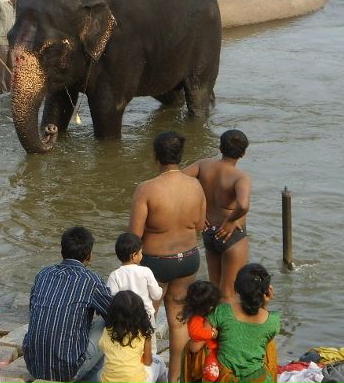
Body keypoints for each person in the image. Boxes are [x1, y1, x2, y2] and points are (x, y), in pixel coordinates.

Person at [130, 131, 206, 383]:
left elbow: (134, 236)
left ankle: (143, 372)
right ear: (180, 156)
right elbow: (199, 225)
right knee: (178, 319)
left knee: (147, 318)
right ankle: (175, 379)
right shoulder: (195, 185)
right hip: (188, 259)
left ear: (155, 157)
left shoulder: (146, 189)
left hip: (156, 263)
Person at [23, 226, 112, 382]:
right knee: (107, 323)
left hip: (34, 365)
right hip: (67, 370)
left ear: (62, 251)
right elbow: (115, 316)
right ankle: (94, 378)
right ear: (89, 255)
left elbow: (32, 310)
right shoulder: (91, 281)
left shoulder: (43, 274)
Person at [183, 130, 251, 298]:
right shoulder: (240, 177)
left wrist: (198, 211)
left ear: (220, 147)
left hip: (209, 232)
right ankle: (226, 324)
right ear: (243, 152)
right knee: (230, 293)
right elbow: (243, 205)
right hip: (230, 234)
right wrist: (230, 220)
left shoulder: (203, 165)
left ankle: (213, 323)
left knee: (215, 287)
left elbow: (176, 180)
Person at [183, 263, 280, 383]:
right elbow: (258, 328)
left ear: (235, 288)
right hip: (258, 379)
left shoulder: (222, 311)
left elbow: (195, 347)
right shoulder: (274, 320)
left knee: (192, 346)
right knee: (268, 344)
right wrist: (265, 305)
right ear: (267, 290)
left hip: (225, 377)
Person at [99, 290, 168, 383]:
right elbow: (148, 362)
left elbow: (103, 348)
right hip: (137, 380)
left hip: (109, 380)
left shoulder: (107, 331)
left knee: (100, 370)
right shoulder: (143, 333)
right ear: (140, 312)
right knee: (159, 361)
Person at [107, 232, 163, 326]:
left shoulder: (114, 275)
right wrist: (160, 289)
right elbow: (156, 295)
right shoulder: (146, 271)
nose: (142, 255)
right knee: (148, 340)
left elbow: (112, 300)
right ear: (133, 255)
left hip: (125, 320)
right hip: (146, 317)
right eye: (140, 252)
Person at [180, 280, 222, 382]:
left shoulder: (215, 312)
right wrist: (212, 334)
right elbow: (196, 333)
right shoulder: (195, 318)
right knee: (211, 373)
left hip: (217, 349)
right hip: (208, 351)